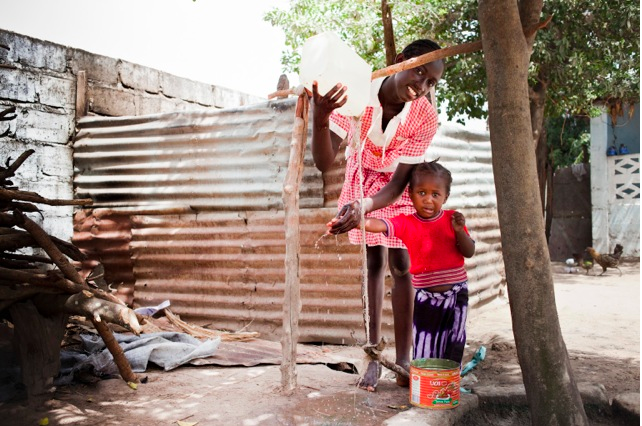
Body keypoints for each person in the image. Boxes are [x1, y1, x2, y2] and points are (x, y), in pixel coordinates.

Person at [310, 39, 445, 391]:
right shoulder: (357, 93)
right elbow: (324, 162)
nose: (422, 85)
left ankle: (403, 361)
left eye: (431, 82)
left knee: (402, 266)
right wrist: (320, 119)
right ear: (400, 61)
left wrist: (365, 207)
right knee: (374, 262)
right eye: (419, 72)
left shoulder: (425, 117)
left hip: (396, 184)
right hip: (363, 177)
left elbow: (399, 183)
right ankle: (372, 357)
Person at [352, 160, 475, 364]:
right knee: (425, 346)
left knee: (453, 344)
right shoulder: (407, 223)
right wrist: (357, 221)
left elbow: (469, 251)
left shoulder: (452, 220)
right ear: (410, 194)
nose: (428, 200)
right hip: (425, 298)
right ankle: (425, 383)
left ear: (446, 197)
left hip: (456, 295)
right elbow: (381, 224)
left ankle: (447, 382)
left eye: (435, 194)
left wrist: (460, 231)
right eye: (422, 193)